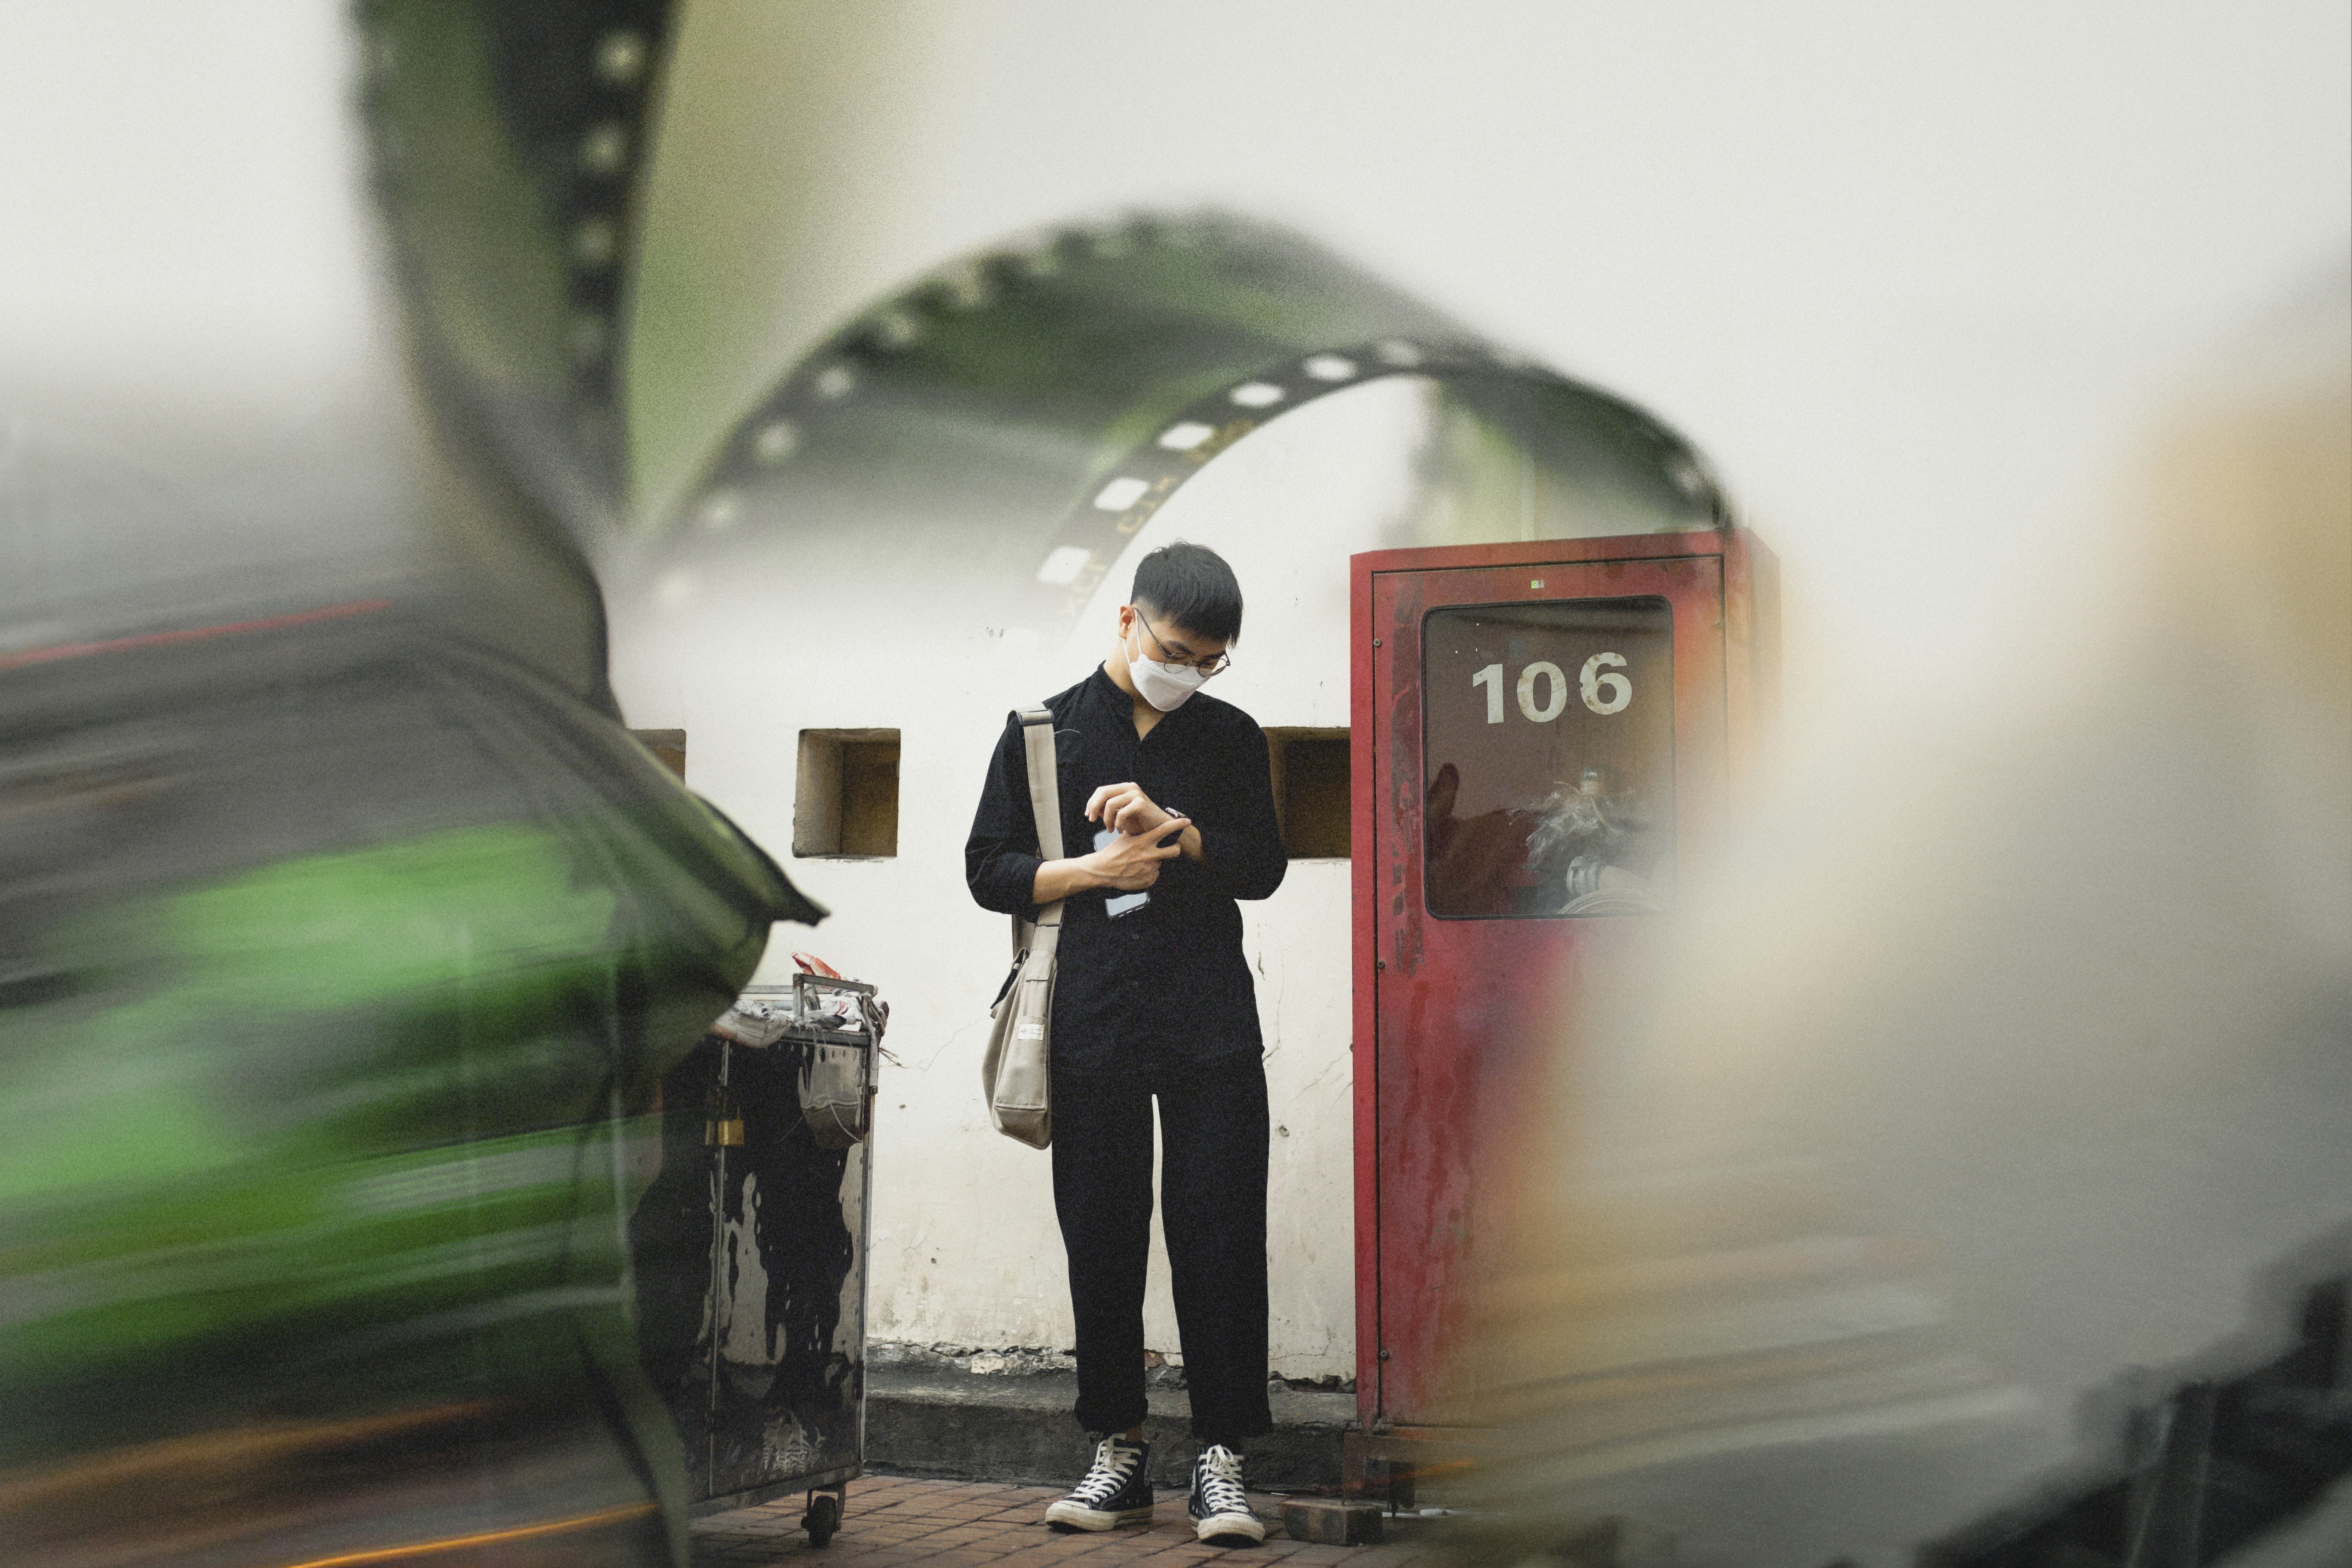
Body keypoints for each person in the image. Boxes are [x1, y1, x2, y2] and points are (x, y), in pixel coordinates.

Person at [965, 542, 1287, 1546]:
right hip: (1092, 1018)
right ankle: (1119, 1448)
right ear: (1128, 621)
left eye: (1208, 661)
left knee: (1221, 1237)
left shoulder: (1230, 736)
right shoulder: (1043, 733)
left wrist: (1178, 831)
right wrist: (1089, 875)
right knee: (1102, 1240)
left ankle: (1222, 1461)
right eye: (1177, 651)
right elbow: (988, 868)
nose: (1187, 673)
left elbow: (1263, 867)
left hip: (1209, 1022)